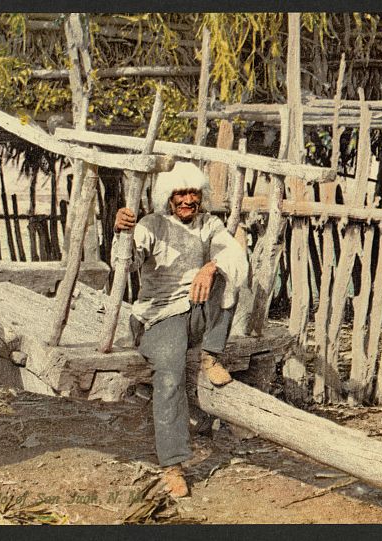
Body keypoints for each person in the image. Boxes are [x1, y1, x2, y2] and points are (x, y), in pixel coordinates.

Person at [112, 161, 249, 498]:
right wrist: (122, 233)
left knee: (228, 272)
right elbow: (126, 262)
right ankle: (172, 465)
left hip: (197, 313)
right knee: (171, 374)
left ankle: (210, 355)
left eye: (193, 193)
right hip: (161, 316)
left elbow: (233, 253)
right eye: (180, 193)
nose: (188, 199)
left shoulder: (209, 224)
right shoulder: (151, 224)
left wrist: (210, 267)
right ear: (168, 197)